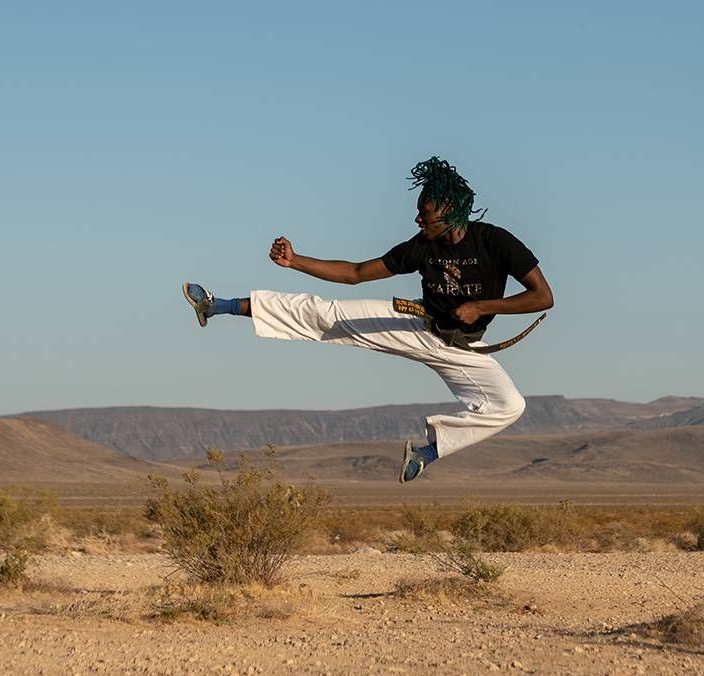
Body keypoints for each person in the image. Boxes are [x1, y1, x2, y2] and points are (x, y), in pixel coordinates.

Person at [183, 157, 554, 483]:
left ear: (449, 211)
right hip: (417, 325)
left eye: (424, 213)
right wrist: (296, 261)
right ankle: (218, 306)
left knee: (510, 406)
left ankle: (427, 453)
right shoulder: (421, 246)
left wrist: (482, 307)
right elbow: (357, 272)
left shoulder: (496, 242)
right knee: (326, 314)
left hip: (464, 348)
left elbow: (543, 297)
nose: (417, 218)